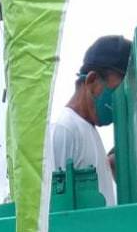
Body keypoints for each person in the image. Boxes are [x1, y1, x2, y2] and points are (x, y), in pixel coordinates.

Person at [48, 35, 131, 207]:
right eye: (117, 91)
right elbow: (56, 210)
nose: (121, 102)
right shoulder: (65, 129)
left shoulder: (89, 129)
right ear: (92, 81)